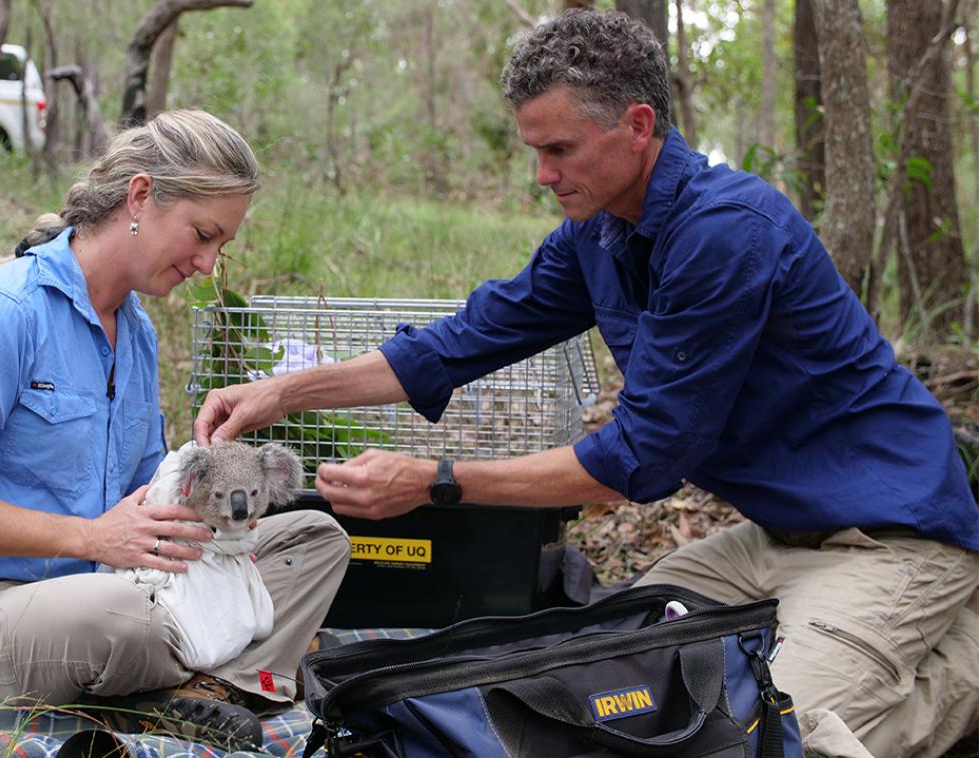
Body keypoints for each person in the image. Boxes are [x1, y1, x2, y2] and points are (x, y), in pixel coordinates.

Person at [193, 11, 979, 758]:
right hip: (773, 536)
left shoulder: (727, 231)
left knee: (751, 731)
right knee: (612, 681)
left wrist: (435, 482)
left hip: (890, 542)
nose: (542, 174)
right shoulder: (599, 231)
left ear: (637, 126)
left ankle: (962, 670)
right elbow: (463, 341)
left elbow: (640, 459)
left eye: (561, 149)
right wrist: (282, 392)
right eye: (535, 150)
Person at [0, 109, 350, 751]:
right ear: (139, 197)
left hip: (116, 586)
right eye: (203, 234)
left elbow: (143, 507)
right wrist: (90, 536)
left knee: (315, 540)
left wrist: (206, 472)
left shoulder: (135, 332)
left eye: (222, 247)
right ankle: (203, 676)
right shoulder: (3, 313)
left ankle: (206, 692)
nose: (209, 264)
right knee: (121, 620)